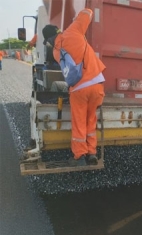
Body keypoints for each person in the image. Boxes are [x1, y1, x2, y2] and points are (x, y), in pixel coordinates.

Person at [42, 8, 106, 166]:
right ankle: (92, 153)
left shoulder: (57, 52)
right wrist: (76, 18)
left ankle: (79, 155)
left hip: (78, 89)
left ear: (49, 40)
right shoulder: (73, 30)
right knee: (90, 120)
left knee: (79, 122)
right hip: (97, 85)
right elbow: (88, 12)